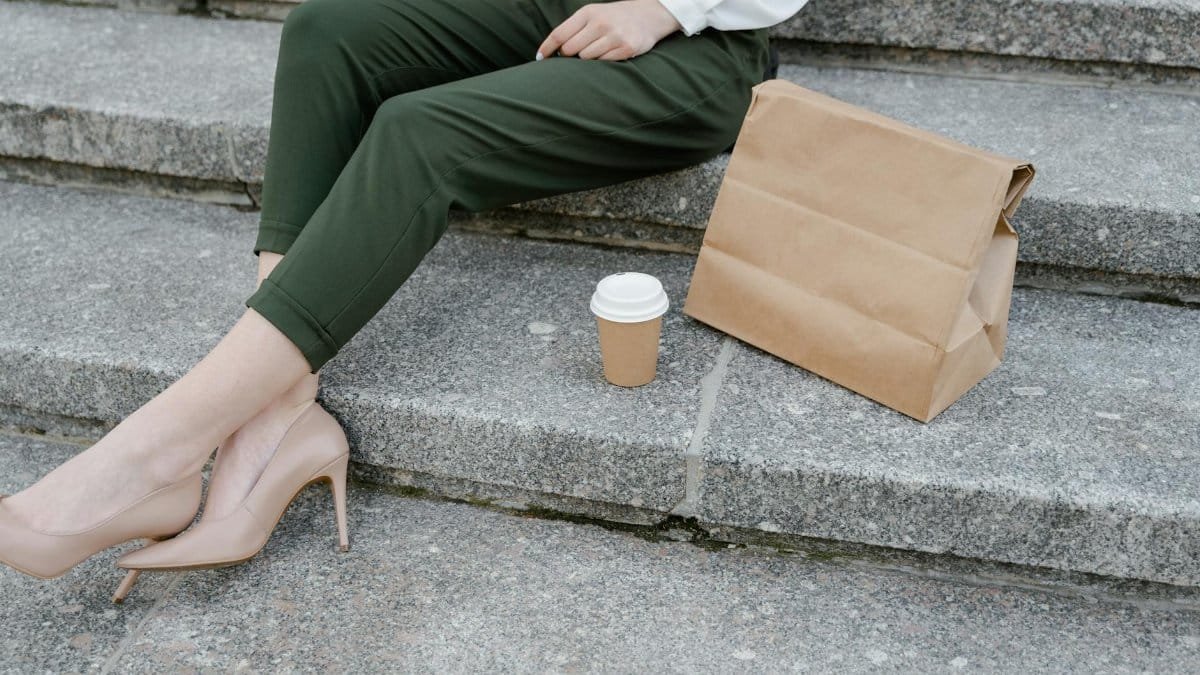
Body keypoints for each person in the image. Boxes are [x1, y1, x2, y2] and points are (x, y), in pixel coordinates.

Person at [0, 0, 808, 601]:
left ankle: (154, 454)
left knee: (420, 131)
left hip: (698, 41)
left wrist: (666, 7)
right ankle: (279, 400)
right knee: (323, 34)